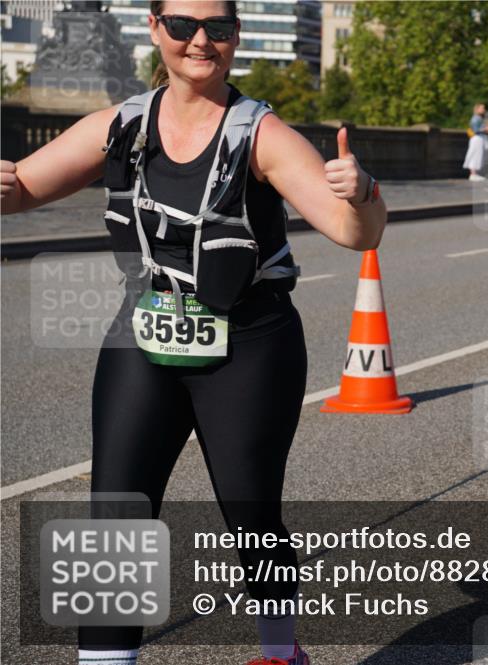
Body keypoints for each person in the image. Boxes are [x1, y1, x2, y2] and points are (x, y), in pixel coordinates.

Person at [0, 3, 386, 664]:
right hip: (144, 336)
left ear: (235, 37)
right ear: (155, 29)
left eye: (218, 27)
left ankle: (278, 651)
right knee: (115, 522)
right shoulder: (119, 125)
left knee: (251, 518)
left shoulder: (260, 134)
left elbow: (356, 234)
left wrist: (365, 191)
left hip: (249, 344)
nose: (200, 41)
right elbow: (20, 192)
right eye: (182, 25)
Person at [463, 102, 488, 181]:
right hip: (477, 138)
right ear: (477, 109)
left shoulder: (479, 118)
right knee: (475, 155)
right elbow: (475, 130)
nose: (484, 110)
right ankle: (473, 174)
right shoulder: (476, 118)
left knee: (478, 155)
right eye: (482, 108)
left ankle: (474, 173)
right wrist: (485, 129)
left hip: (479, 138)